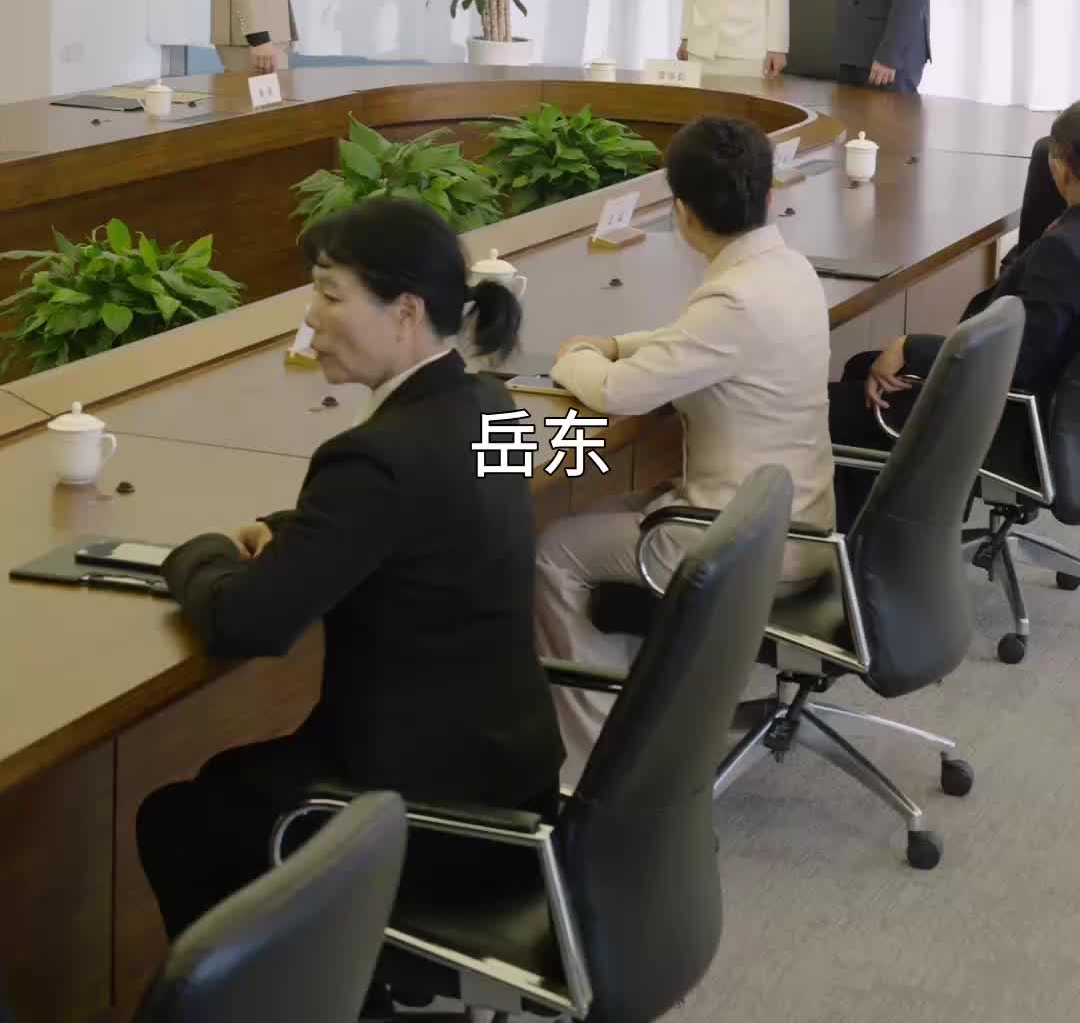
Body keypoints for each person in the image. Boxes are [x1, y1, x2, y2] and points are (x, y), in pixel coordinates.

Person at [136, 198, 563, 942]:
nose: (311, 318)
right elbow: (432, 515)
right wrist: (293, 532)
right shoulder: (490, 404)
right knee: (227, 785)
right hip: (511, 782)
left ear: (405, 312)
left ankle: (294, 989)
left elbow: (245, 622)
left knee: (180, 822)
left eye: (331, 296)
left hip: (420, 815)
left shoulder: (375, 459)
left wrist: (195, 553)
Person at [534, 115, 833, 787]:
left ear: (683, 212)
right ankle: (640, 712)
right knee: (606, 511)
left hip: (740, 542)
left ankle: (595, 767)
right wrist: (619, 342)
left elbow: (617, 392)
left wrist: (575, 356)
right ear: (766, 192)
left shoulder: (733, 299)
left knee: (553, 549)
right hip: (800, 523)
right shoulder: (788, 269)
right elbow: (693, 340)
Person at [828, 101, 1080, 529]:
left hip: (1011, 420)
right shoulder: (1067, 235)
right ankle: (897, 536)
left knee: (832, 410)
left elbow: (1015, 361)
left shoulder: (1063, 251)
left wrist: (910, 347)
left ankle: (882, 550)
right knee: (860, 368)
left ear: (1061, 165)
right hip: (1051, 408)